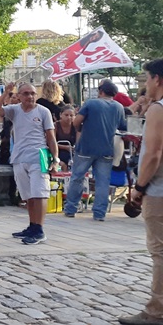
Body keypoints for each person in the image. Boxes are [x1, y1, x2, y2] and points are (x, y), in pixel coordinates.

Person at [121, 58, 163, 325]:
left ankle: (156, 311)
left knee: (159, 251)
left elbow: (153, 154)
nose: (145, 83)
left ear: (157, 79)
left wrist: (139, 188)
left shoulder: (158, 109)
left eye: (147, 78)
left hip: (159, 191)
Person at [0, 82, 58, 245]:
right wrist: (6, 93)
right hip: (20, 156)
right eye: (26, 94)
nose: (30, 97)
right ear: (19, 96)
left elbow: (51, 137)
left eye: (33, 93)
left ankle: (39, 229)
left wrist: (54, 158)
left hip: (40, 155)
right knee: (28, 194)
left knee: (39, 192)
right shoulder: (14, 110)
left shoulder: (43, 111)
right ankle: (32, 225)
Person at [64, 79, 127, 221]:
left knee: (77, 178)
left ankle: (71, 208)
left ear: (101, 91)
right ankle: (99, 213)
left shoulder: (91, 103)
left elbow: (76, 122)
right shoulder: (119, 107)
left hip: (86, 147)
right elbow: (123, 126)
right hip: (107, 149)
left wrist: (81, 128)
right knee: (103, 181)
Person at [55, 104, 79, 172]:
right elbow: (50, 143)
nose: (69, 117)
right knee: (62, 164)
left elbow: (78, 142)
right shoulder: (55, 126)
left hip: (72, 153)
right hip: (56, 152)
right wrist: (66, 147)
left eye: (71, 115)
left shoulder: (76, 127)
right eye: (66, 115)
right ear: (60, 115)